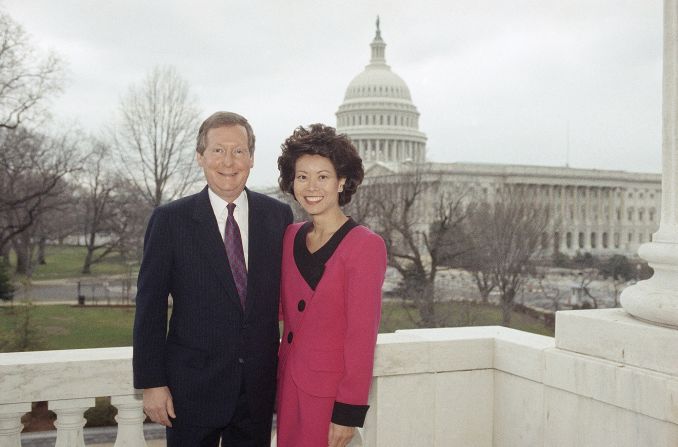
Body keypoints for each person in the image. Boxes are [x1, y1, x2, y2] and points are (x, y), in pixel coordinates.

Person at [133, 111, 293, 447]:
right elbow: (149, 307)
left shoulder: (278, 216)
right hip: (190, 390)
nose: (228, 162)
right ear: (200, 157)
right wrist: (152, 383)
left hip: (256, 391)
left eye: (238, 151)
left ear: (250, 158)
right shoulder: (169, 221)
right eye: (218, 150)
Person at [275, 124, 387, 447]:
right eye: (302, 176)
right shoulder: (289, 237)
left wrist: (348, 412)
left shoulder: (366, 246)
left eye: (323, 176)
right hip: (288, 392)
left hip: (330, 401)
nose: (311, 186)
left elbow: (361, 337)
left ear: (341, 181)